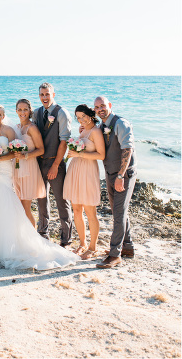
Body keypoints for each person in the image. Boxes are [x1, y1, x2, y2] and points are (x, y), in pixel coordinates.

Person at [0, 104, 79, 270]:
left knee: (8, 204)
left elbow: (12, 152)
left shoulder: (9, 131)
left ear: (4, 116)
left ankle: (15, 243)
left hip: (4, 172)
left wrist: (0, 158)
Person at [94, 96, 137, 269]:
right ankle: (127, 247)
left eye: (102, 106)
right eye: (97, 107)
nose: (100, 109)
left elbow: (128, 149)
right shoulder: (102, 126)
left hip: (123, 175)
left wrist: (121, 176)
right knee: (118, 211)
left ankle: (114, 255)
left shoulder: (121, 123)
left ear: (110, 106)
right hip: (110, 173)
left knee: (118, 214)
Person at [34, 82, 74, 246]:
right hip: (38, 163)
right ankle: (43, 234)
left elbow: (64, 142)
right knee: (41, 200)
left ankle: (66, 239)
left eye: (47, 94)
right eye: (42, 94)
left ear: (53, 95)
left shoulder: (62, 113)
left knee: (61, 201)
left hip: (55, 163)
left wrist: (56, 165)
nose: (44, 97)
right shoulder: (36, 113)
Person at [63, 104, 104, 260]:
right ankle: (83, 243)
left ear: (91, 115)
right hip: (76, 169)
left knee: (90, 211)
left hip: (88, 171)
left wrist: (79, 154)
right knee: (77, 209)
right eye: (78, 118)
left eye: (83, 116)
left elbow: (101, 155)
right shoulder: (84, 130)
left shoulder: (96, 132)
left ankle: (93, 247)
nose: (81, 120)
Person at [10, 99, 46, 227]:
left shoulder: (32, 128)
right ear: (16, 111)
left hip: (29, 169)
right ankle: (23, 238)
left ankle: (32, 239)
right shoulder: (16, 127)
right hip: (17, 169)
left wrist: (25, 155)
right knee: (19, 206)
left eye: (25, 109)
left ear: (30, 111)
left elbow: (41, 149)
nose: (22, 112)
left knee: (25, 207)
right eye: (19, 109)